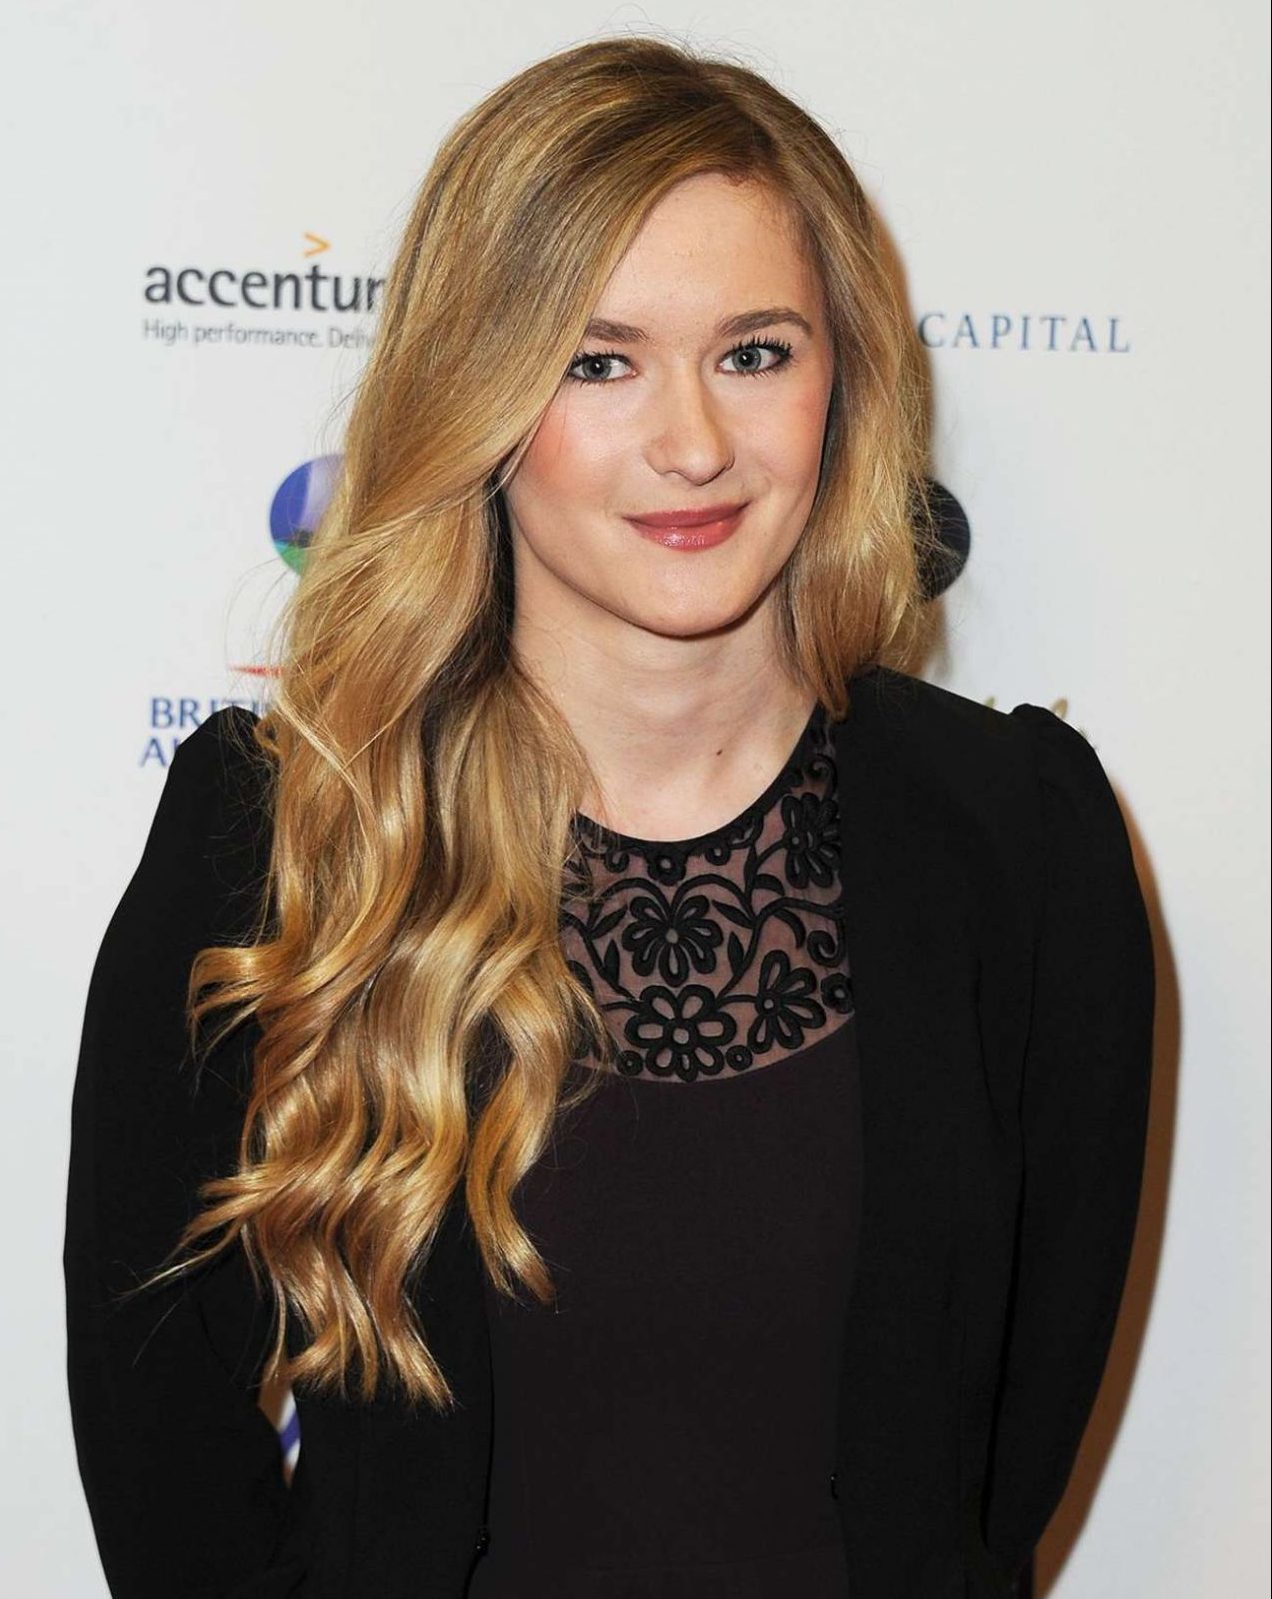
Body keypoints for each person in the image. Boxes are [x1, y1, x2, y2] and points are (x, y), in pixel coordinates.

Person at [62, 34, 1155, 1599]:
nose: (694, 443)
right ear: (478, 394)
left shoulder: (1018, 840)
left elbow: (1000, 1474)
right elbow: (166, 1465)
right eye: (599, 361)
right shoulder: (281, 835)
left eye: (756, 353)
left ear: (846, 379)